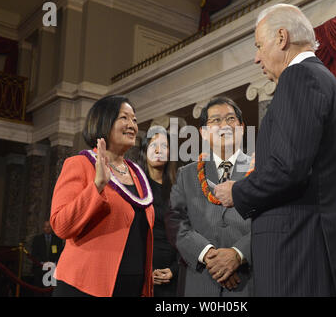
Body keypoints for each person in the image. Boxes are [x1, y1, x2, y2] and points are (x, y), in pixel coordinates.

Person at [214, 4, 336, 296]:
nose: (256, 58)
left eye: (258, 46)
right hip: (315, 248)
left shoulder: (299, 77)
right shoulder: (327, 81)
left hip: (295, 253)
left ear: (281, 38)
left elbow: (289, 168)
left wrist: (238, 192)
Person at [50, 95, 155, 297]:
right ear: (104, 122)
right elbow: (60, 225)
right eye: (124, 118)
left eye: (134, 119)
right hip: (85, 286)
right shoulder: (79, 164)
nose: (132, 125)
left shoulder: (138, 174)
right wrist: (97, 186)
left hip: (131, 288)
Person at [165, 97, 253, 297]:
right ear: (203, 133)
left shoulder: (261, 170)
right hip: (200, 281)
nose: (224, 125)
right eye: (216, 120)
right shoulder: (186, 174)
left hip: (248, 282)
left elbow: (270, 221)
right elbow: (175, 221)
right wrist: (208, 255)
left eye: (231, 119)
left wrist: (238, 255)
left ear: (241, 127)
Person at [137, 126, 179, 297]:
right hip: (141, 272)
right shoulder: (136, 187)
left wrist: (173, 270)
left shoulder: (178, 189)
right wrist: (145, 270)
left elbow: (185, 233)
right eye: (153, 145)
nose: (158, 150)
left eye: (164, 146)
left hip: (172, 275)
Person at [31, 220, 63, 292]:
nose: (47, 228)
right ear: (43, 228)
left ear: (52, 228)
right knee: (39, 289)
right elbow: (34, 253)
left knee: (50, 290)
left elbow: (59, 254)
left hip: (53, 268)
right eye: (45, 227)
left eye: (49, 227)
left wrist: (53, 263)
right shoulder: (37, 239)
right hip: (39, 268)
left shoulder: (57, 240)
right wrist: (43, 263)